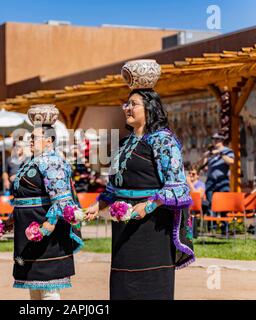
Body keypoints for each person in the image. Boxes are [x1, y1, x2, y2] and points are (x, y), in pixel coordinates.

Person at [86, 59, 194, 300]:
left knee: (149, 287)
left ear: (150, 108)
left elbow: (178, 187)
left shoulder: (162, 140)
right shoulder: (124, 144)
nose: (126, 108)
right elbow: (114, 186)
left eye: (133, 104)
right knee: (123, 284)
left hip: (152, 225)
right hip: (123, 224)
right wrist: (99, 205)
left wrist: (148, 206)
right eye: (126, 103)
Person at [7, 104, 83, 300]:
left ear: (49, 140)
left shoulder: (53, 161)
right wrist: (11, 219)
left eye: (35, 137)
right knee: (33, 282)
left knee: (48, 287)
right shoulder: (30, 162)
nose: (30, 141)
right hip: (28, 227)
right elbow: (22, 197)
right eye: (30, 137)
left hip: (44, 227)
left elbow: (61, 198)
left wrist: (48, 226)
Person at [203, 133, 235, 229]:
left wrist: (220, 153)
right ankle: (212, 227)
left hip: (222, 180)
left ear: (222, 140)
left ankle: (225, 228)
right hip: (210, 180)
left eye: (217, 139)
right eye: (214, 139)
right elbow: (205, 168)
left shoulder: (228, 151)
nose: (215, 141)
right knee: (210, 203)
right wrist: (206, 156)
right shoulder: (211, 152)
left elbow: (231, 161)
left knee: (224, 204)